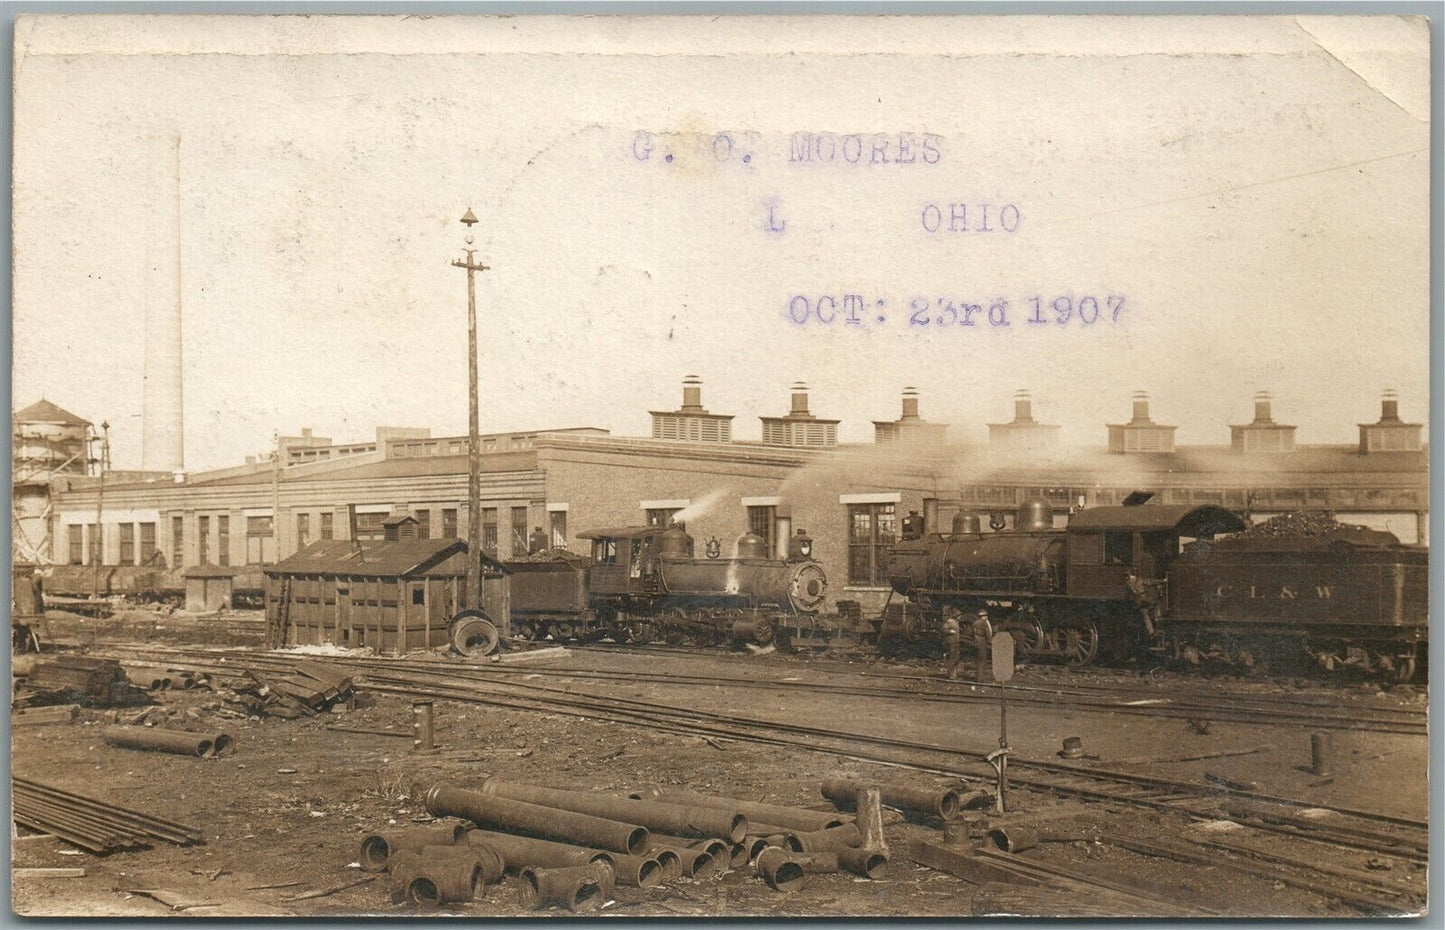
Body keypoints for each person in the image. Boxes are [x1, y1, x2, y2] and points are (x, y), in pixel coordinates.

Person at [971, 609, 993, 681]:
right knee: (982, 660)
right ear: (983, 616)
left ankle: (978, 676)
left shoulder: (975, 623)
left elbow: (971, 633)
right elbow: (988, 633)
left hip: (975, 642)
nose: (986, 617)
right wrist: (989, 642)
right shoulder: (984, 623)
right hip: (982, 642)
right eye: (985, 615)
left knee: (978, 660)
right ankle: (980, 678)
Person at [941, 613, 962, 679]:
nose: (960, 617)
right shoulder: (950, 621)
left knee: (956, 658)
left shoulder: (956, 622)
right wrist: (950, 631)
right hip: (951, 642)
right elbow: (943, 629)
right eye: (959, 616)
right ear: (957, 616)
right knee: (952, 658)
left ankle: (953, 674)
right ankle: (950, 675)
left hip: (956, 642)